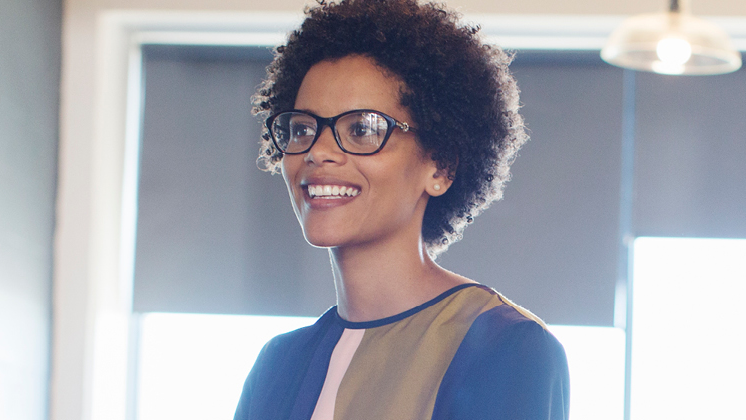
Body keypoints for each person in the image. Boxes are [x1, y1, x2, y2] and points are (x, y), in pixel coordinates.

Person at [233, 0, 568, 419]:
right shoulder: (278, 364)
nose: (318, 152)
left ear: (440, 166)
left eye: (362, 128)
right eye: (302, 128)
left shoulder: (505, 347)